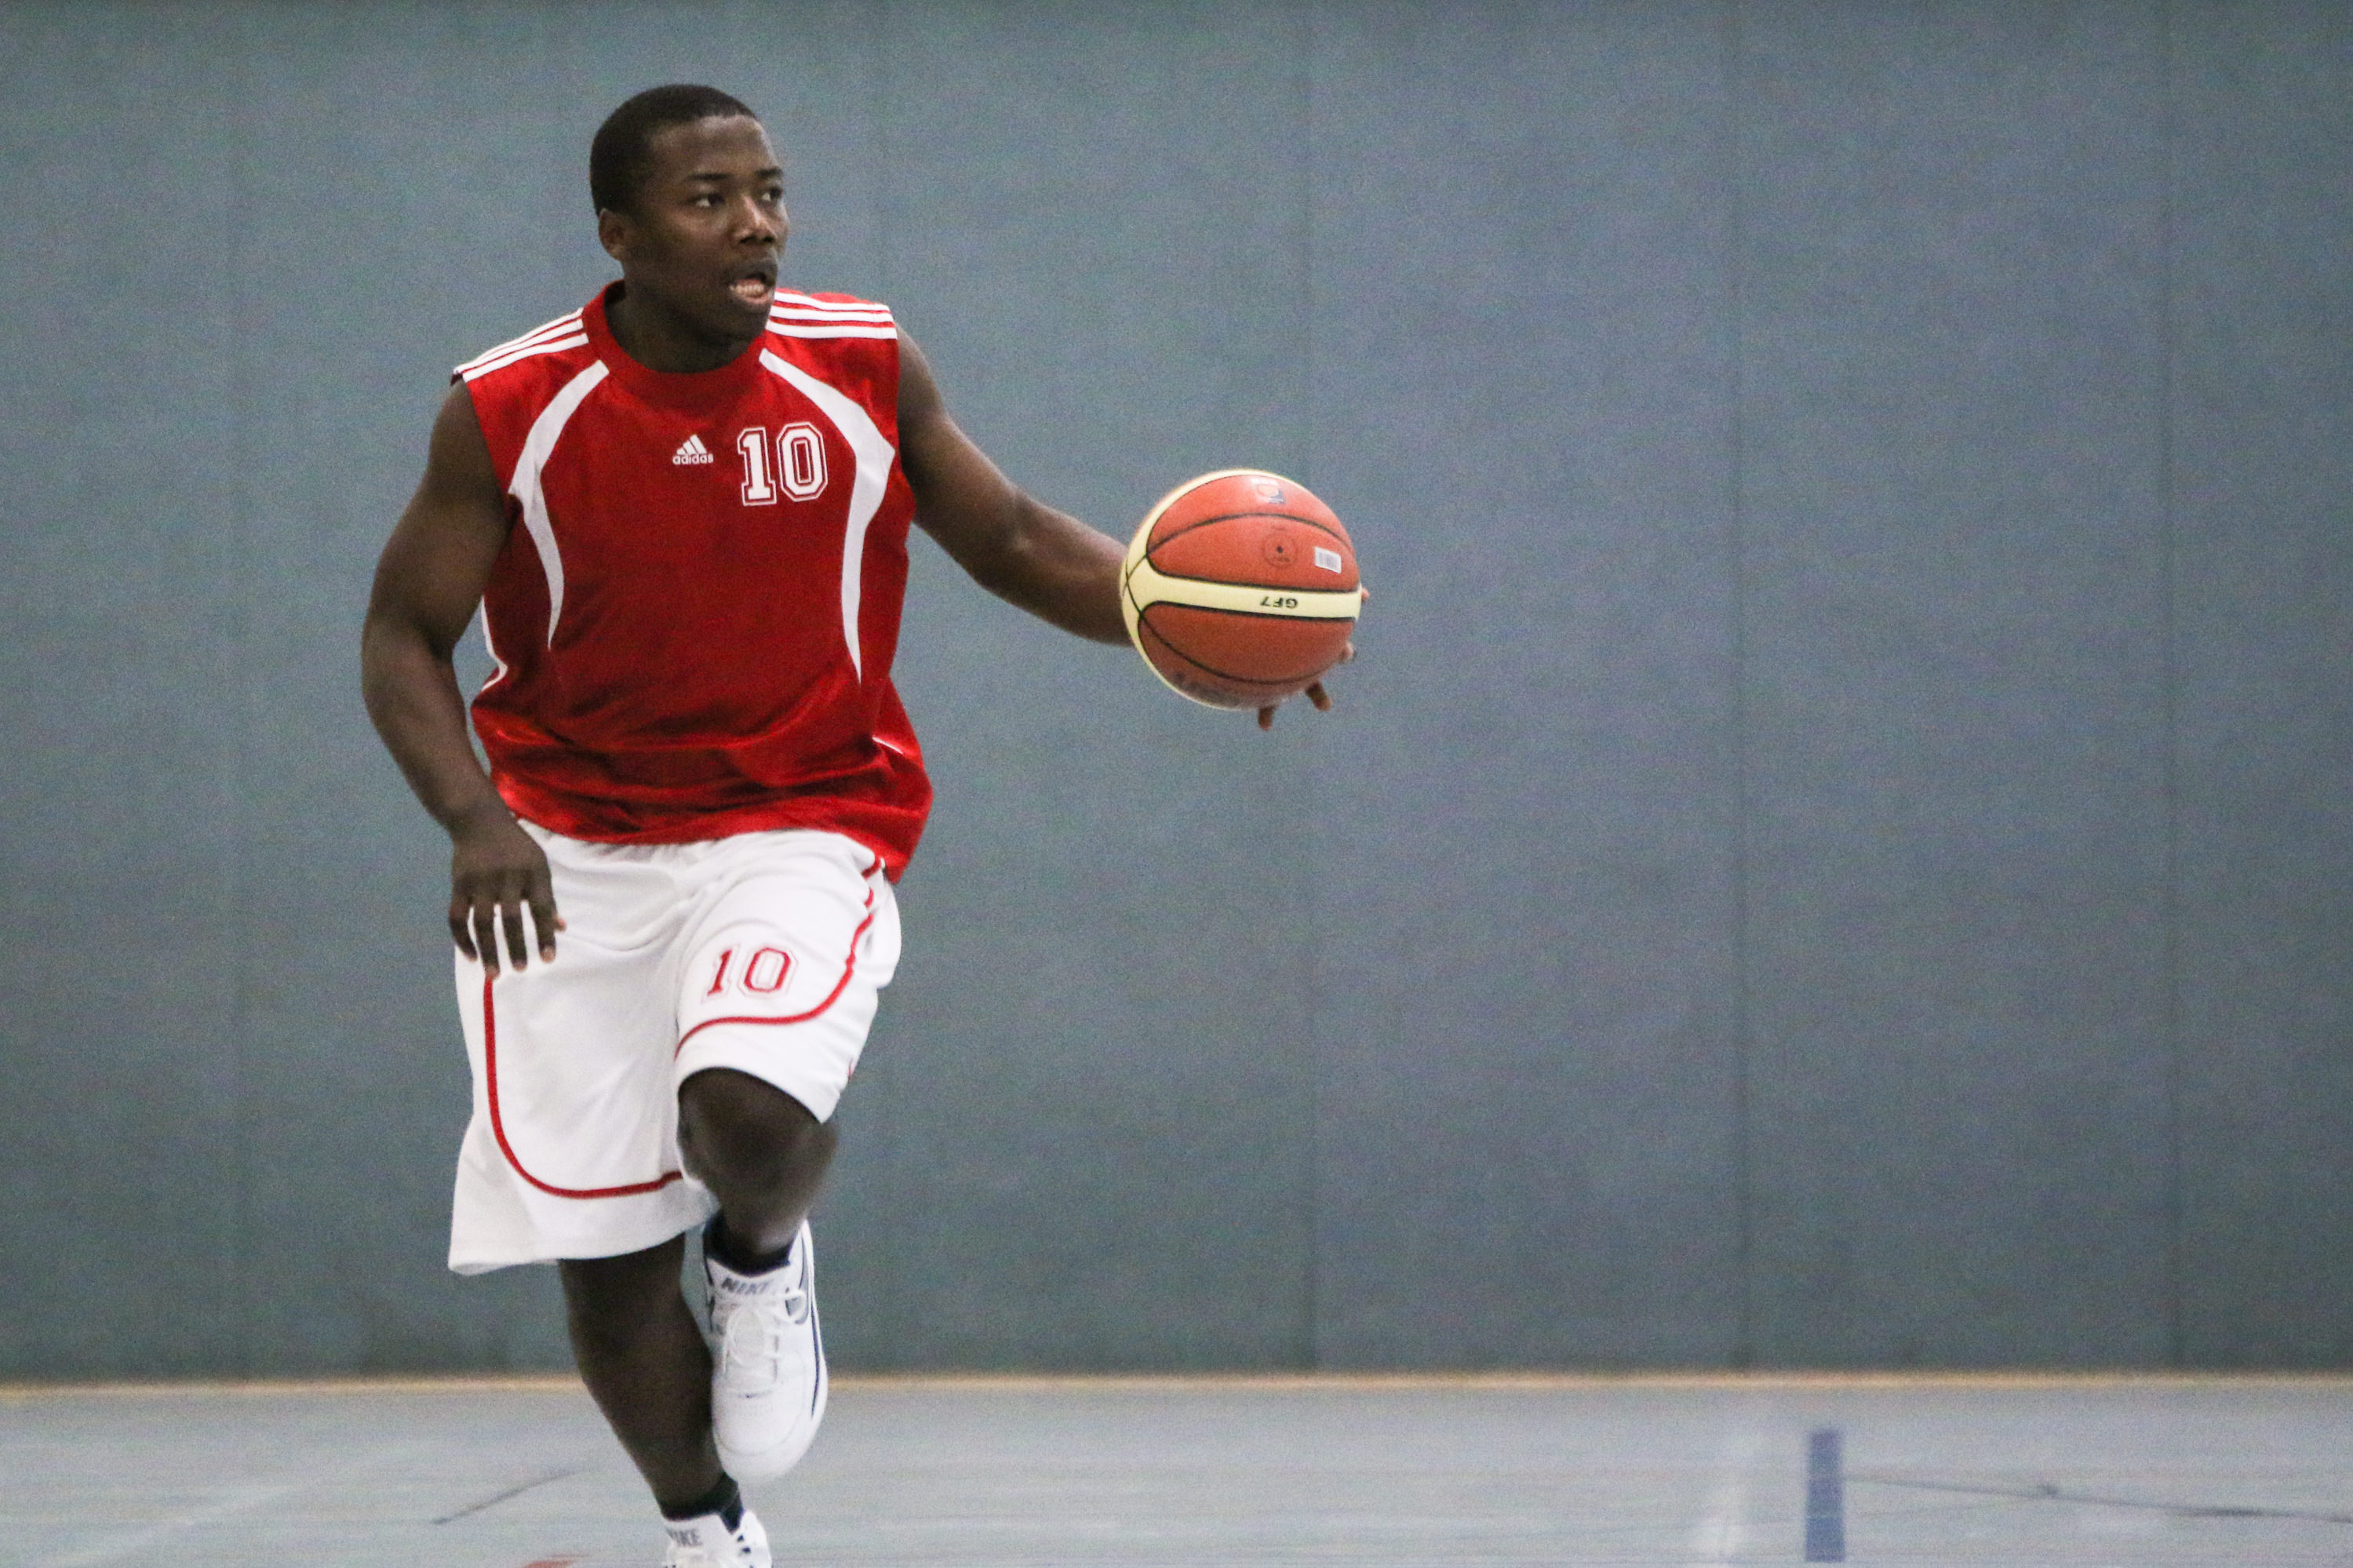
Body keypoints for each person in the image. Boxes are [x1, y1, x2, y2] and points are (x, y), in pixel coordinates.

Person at [361, 84, 1344, 1567]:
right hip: (565, 852)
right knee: (608, 1265)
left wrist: (1188, 623)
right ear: (620, 235)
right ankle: (707, 1532)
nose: (755, 224)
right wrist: (471, 819)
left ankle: (760, 1257)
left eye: (768, 192)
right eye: (709, 200)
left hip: (801, 816)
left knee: (747, 1118)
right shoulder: (510, 407)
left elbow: (1010, 537)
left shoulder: (860, 363)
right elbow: (400, 634)